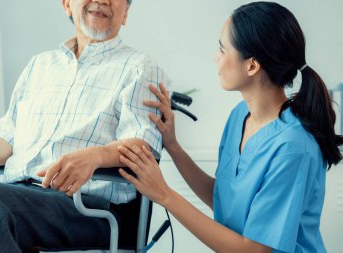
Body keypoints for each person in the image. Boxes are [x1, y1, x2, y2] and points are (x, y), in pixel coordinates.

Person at [117, 2, 343, 252]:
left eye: (223, 49)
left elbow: (254, 249)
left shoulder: (293, 147)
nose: (216, 57)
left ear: (252, 66)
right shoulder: (240, 116)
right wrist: (172, 145)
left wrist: (165, 195)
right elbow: (225, 201)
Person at [0, 0, 168, 252]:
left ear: (125, 12)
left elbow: (142, 147)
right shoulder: (39, 66)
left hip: (86, 209)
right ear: (67, 4)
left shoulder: (140, 67)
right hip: (16, 197)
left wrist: (96, 155)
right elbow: (7, 140)